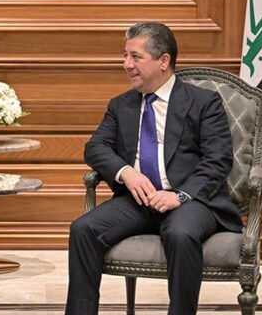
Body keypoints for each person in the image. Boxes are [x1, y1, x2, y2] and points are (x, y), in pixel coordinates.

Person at [66, 22, 244, 315]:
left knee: (181, 234)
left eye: (136, 57)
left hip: (190, 201)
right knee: (83, 229)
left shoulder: (203, 102)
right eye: (125, 55)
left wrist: (180, 196)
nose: (127, 64)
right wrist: (126, 172)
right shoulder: (121, 105)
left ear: (163, 61)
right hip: (138, 202)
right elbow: (95, 148)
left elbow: (218, 159)